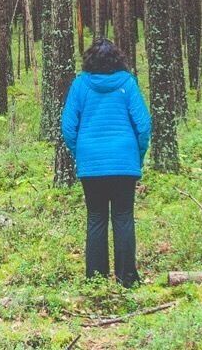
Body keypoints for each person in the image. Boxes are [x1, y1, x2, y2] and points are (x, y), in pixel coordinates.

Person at [61, 37, 152, 287]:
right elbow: (143, 126)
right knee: (123, 217)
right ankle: (127, 280)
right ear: (117, 59)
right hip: (124, 162)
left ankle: (96, 280)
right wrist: (138, 154)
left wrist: (81, 153)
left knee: (96, 217)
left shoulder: (80, 85)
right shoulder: (128, 83)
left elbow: (68, 127)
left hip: (91, 164)